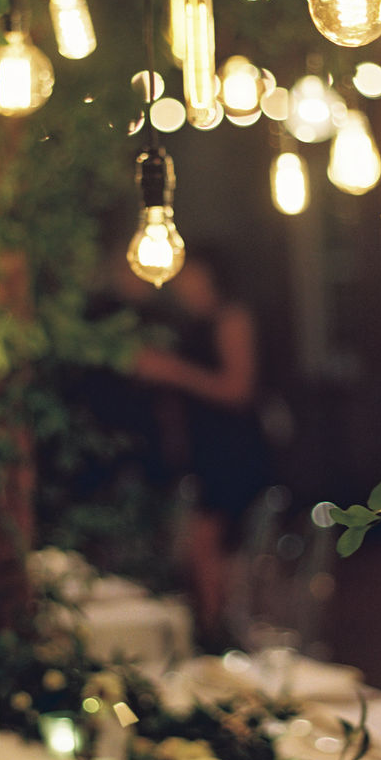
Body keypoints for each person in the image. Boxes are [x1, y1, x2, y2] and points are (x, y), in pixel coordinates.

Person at [131, 247, 273, 649]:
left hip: (232, 448)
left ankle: (220, 638)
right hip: (202, 448)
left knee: (213, 547)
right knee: (199, 549)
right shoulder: (186, 322)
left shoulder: (231, 318)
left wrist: (172, 371)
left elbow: (238, 389)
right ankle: (214, 633)